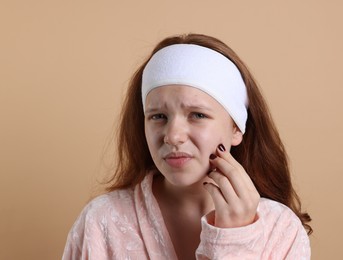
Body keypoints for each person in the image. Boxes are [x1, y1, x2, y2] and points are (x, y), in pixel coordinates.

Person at [62, 33, 312, 259]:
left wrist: (234, 242)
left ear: (236, 128)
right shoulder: (102, 221)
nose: (172, 136)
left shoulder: (282, 231)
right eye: (158, 116)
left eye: (197, 115)